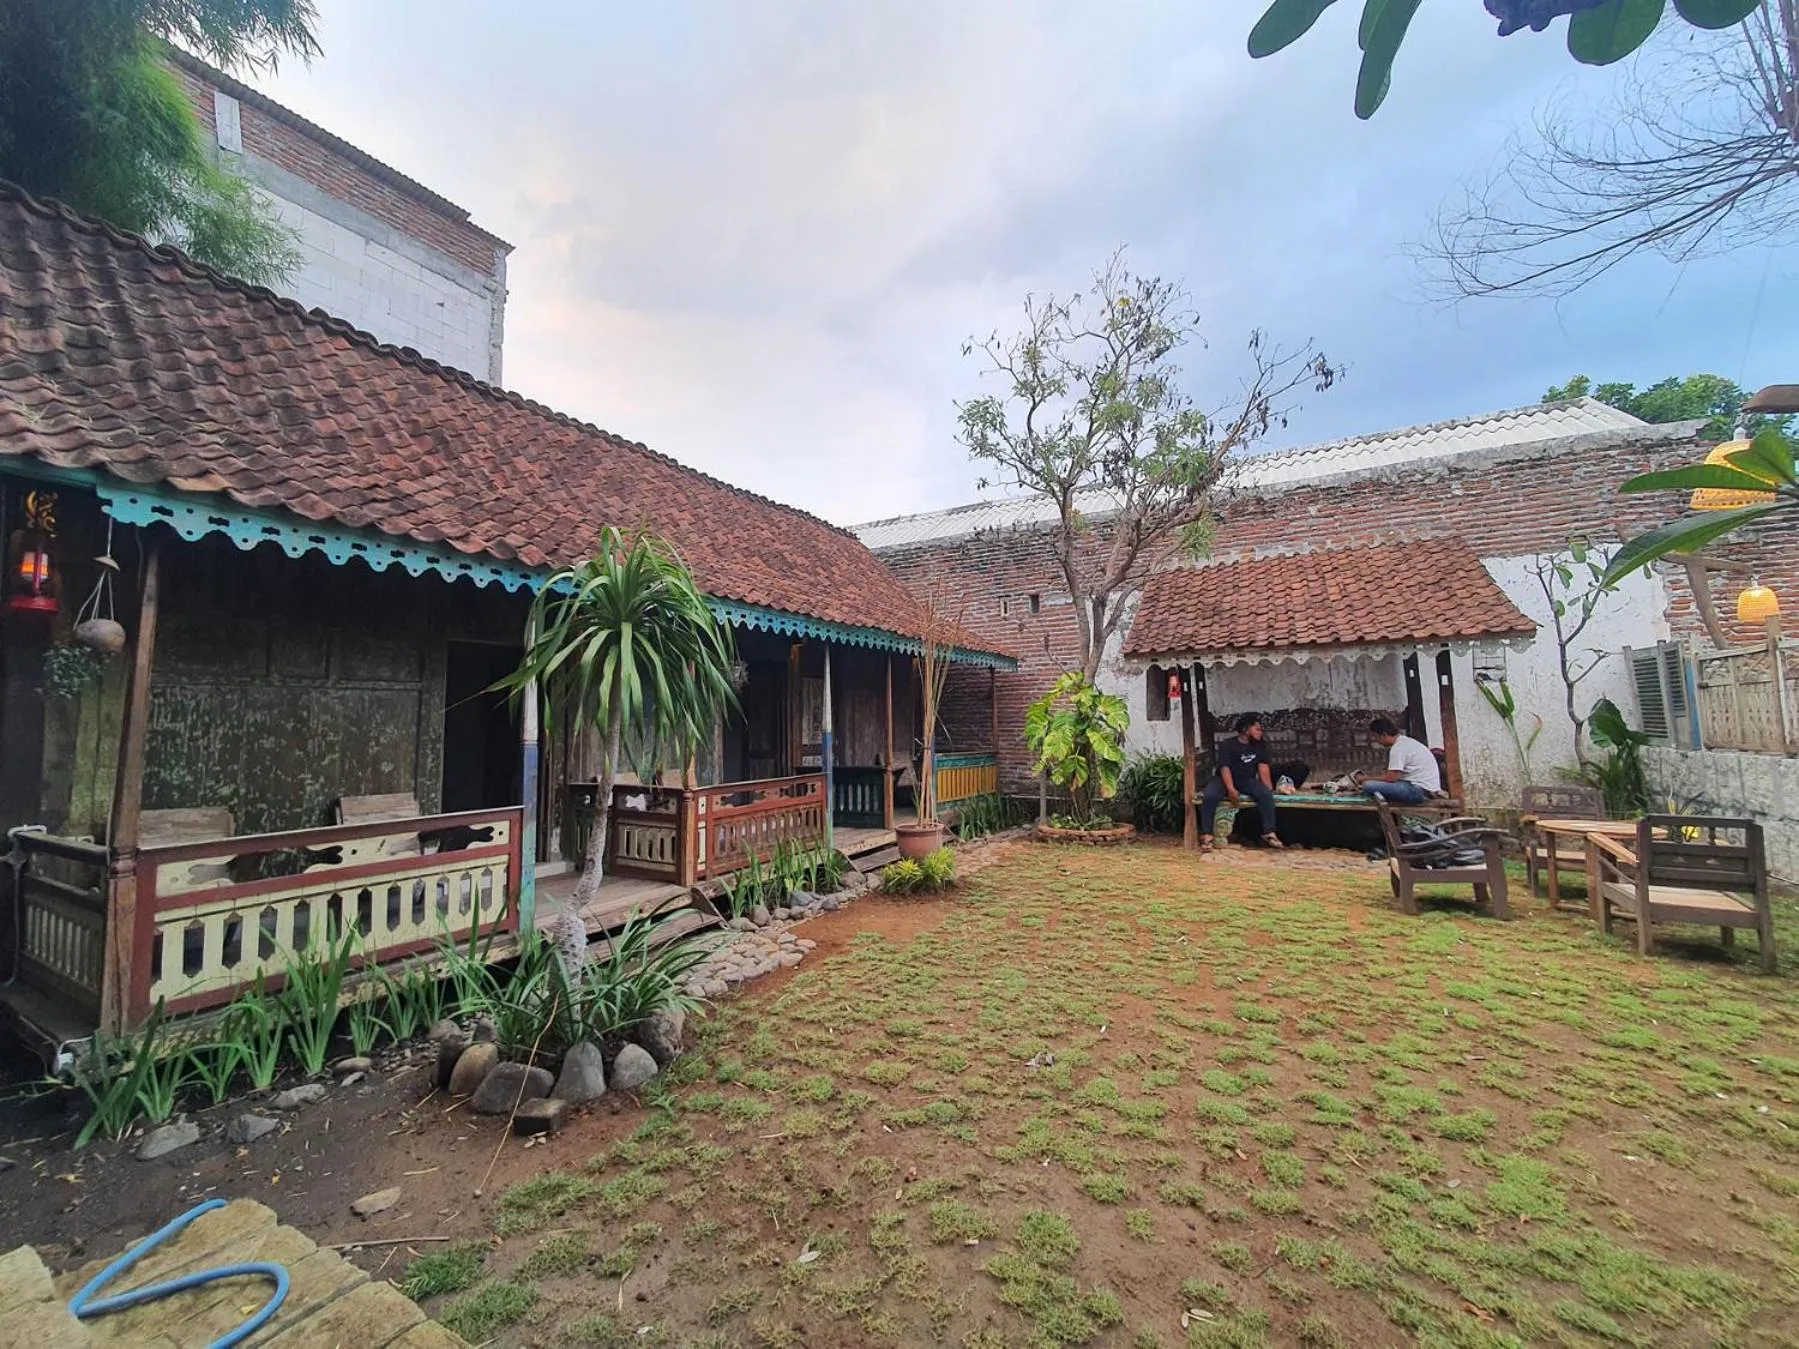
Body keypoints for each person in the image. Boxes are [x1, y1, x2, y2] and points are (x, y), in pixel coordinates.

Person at [1200, 713, 1283, 851]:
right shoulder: (1227, 745)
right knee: (1210, 796)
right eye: (1257, 729)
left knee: (1265, 794)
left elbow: (1263, 768)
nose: (1260, 732)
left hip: (1246, 780)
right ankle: (1207, 835)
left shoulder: (1260, 746)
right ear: (1245, 730)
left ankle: (1269, 832)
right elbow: (1224, 768)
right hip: (1223, 779)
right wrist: (1231, 789)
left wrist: (1269, 789)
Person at [1356, 717, 1442, 805]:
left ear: (1383, 735)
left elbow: (1391, 778)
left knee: (1368, 785)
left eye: (1376, 737)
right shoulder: (1406, 742)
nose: (1377, 741)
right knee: (1372, 785)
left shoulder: (1398, 748)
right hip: (1425, 789)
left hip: (1419, 791)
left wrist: (1365, 778)